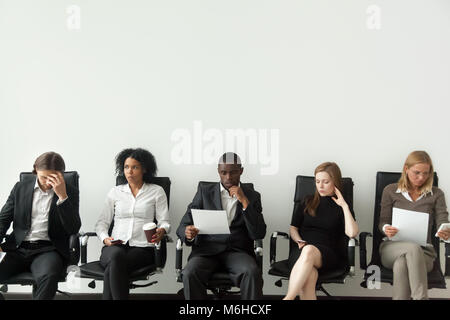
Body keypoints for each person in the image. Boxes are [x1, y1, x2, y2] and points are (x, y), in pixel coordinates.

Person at [176, 152, 266, 300]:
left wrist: (244, 201)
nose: (228, 177)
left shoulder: (252, 196)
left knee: (251, 272)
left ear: (241, 171)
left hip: (237, 252)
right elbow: (184, 224)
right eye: (224, 173)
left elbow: (258, 233)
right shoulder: (204, 192)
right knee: (189, 273)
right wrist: (187, 232)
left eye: (233, 172)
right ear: (218, 171)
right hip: (207, 251)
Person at [0, 152, 81, 299]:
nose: (48, 182)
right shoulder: (20, 188)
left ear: (61, 174)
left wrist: (62, 197)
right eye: (44, 177)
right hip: (18, 249)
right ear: (36, 169)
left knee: (49, 276)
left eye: (53, 178)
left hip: (48, 250)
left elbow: (73, 228)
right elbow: (3, 219)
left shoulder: (70, 192)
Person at [95, 148, 170, 300]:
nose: (129, 172)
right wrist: (105, 238)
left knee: (114, 266)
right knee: (116, 256)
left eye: (134, 167)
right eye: (126, 167)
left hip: (142, 249)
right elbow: (102, 223)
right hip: (114, 247)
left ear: (144, 169)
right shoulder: (115, 192)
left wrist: (162, 230)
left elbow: (165, 221)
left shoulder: (156, 191)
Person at [379, 150, 450, 300]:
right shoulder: (390, 190)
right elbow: (382, 222)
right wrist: (386, 229)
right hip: (392, 248)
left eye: (426, 173)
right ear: (406, 169)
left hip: (425, 253)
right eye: (417, 172)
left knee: (402, 264)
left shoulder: (436, 194)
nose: (421, 177)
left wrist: (445, 229)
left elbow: (443, 219)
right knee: (411, 248)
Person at [284, 162, 358, 300]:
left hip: (327, 255)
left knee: (309, 250)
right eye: (317, 181)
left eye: (325, 182)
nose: (320, 186)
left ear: (335, 182)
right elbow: (293, 227)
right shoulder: (307, 201)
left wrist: (344, 206)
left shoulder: (342, 206)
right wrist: (298, 240)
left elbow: (352, 233)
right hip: (301, 252)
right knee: (309, 276)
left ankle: (288, 298)